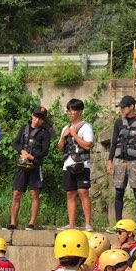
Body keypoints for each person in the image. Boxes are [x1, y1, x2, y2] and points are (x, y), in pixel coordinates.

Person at [107, 96, 136, 227]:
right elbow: (114, 143)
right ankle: (118, 224)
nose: (121, 109)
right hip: (119, 161)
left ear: (131, 106)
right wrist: (110, 161)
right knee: (119, 192)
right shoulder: (118, 123)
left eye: (123, 107)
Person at [57, 99, 94, 232]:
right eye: (69, 110)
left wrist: (74, 135)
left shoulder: (86, 127)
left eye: (73, 110)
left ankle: (88, 223)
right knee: (70, 193)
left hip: (82, 164)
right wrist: (64, 136)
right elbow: (60, 148)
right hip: (68, 164)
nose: (70, 113)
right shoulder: (65, 128)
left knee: (83, 191)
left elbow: (88, 146)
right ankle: (71, 223)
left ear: (80, 111)